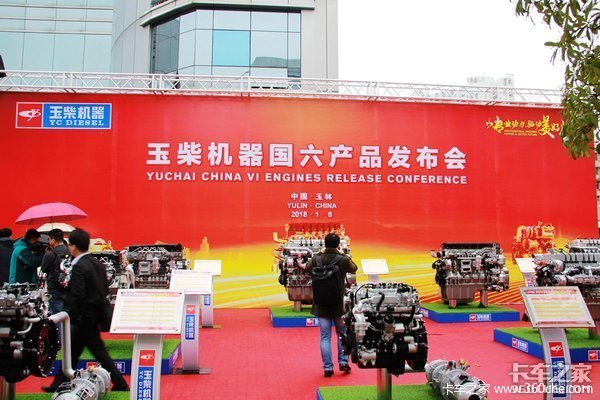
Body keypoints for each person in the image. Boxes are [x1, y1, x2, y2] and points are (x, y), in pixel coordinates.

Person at [42, 228, 129, 393]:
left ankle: (120, 383)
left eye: (70, 245)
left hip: (84, 318)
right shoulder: (96, 263)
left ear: (73, 246)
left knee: (94, 352)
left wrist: (68, 313)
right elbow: (104, 289)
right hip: (93, 316)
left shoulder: (80, 266)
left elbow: (77, 294)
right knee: (77, 352)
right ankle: (58, 383)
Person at [306, 233, 357, 377]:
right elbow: (354, 268)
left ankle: (328, 368)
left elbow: (308, 267)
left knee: (325, 336)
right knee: (342, 333)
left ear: (324, 243)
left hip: (321, 303)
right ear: (338, 244)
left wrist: (318, 253)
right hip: (339, 304)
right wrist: (343, 254)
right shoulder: (343, 259)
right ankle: (343, 362)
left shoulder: (316, 259)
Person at [40, 229, 69, 315]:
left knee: (57, 316)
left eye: (49, 239)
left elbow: (44, 269)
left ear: (53, 239)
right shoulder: (71, 251)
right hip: (69, 286)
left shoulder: (50, 254)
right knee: (68, 315)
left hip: (54, 287)